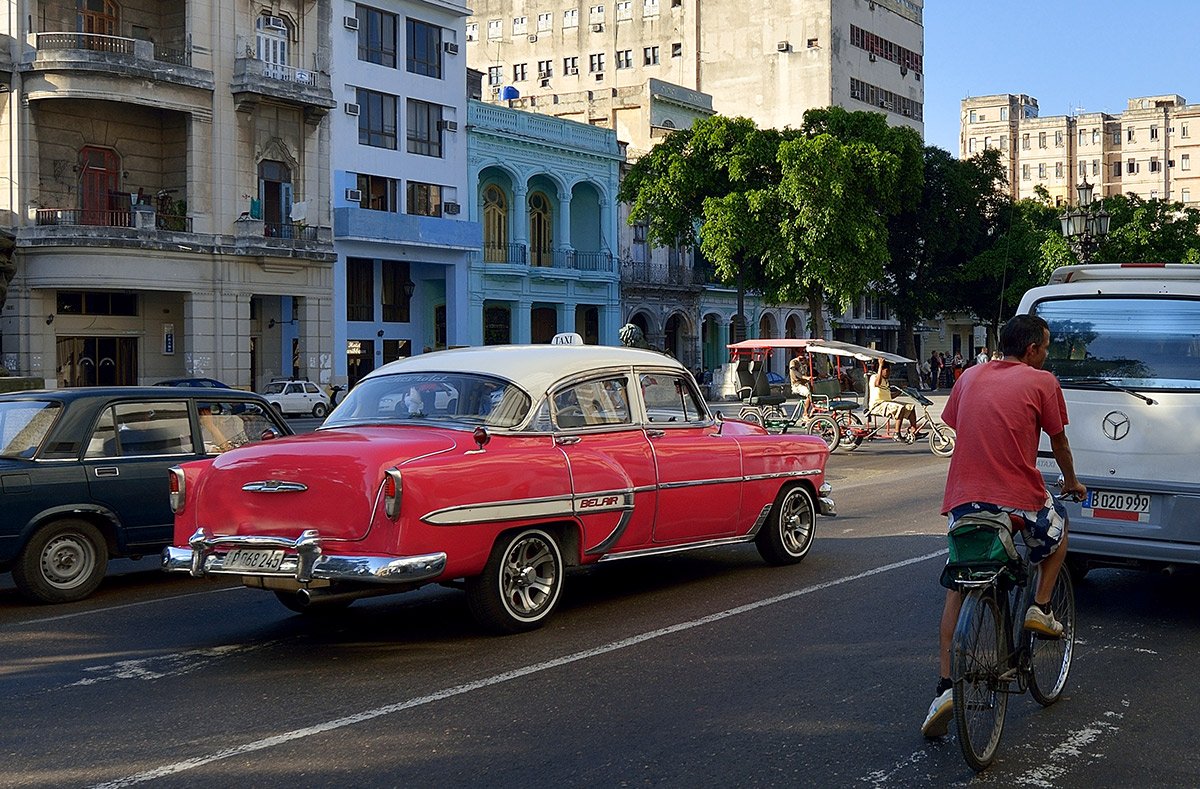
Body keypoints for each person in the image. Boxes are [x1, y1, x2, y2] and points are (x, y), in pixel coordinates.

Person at [921, 314, 1087, 738]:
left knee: (958, 586)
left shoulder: (969, 377)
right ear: (1032, 350)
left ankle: (943, 688)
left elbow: (959, 424)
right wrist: (1071, 481)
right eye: (1046, 347)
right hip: (1019, 500)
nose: (1047, 355)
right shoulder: (1042, 381)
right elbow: (1059, 441)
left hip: (963, 500)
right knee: (1059, 532)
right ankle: (1042, 606)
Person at [867, 362, 919, 440]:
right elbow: (877, 384)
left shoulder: (886, 381)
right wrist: (880, 365)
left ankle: (914, 430)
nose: (889, 373)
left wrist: (901, 390)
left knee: (910, 407)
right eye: (887, 371)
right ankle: (896, 433)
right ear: (881, 370)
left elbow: (890, 396)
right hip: (877, 405)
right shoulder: (874, 377)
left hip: (887, 403)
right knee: (899, 408)